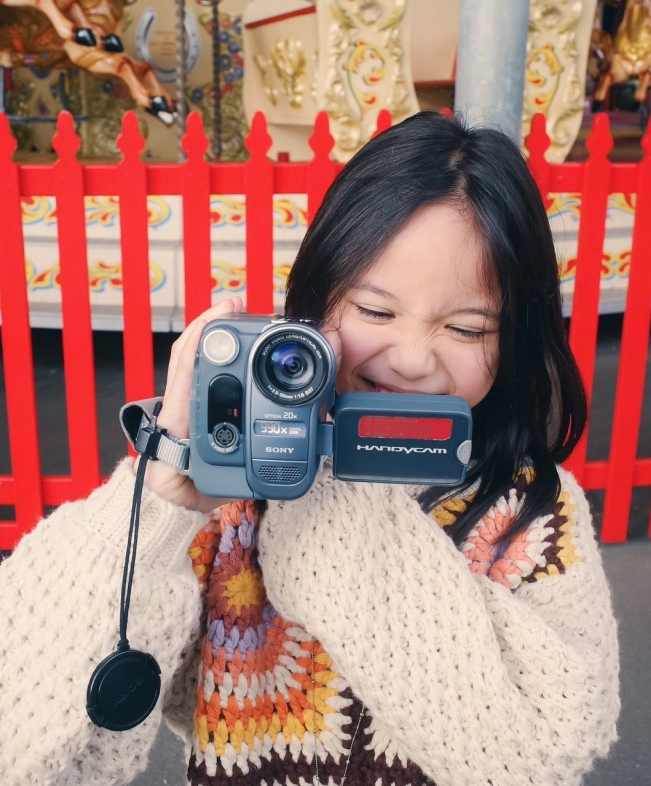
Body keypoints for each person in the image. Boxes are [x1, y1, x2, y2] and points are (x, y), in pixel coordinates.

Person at [0, 112, 619, 786]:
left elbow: (545, 754)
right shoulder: (237, 500)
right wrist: (158, 501)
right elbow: (32, 741)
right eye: (376, 312)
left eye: (466, 328)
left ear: (511, 342)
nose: (411, 359)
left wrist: (347, 511)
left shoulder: (533, 516)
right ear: (316, 307)